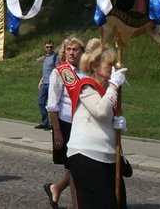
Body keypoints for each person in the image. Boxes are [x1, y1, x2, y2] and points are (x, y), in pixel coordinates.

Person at [67, 39, 128, 209]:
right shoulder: (86, 87)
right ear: (94, 66)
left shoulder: (108, 91)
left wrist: (119, 123)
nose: (113, 67)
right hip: (86, 155)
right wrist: (114, 86)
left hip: (107, 156)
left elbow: (107, 114)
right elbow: (100, 112)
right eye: (109, 63)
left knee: (119, 204)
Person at [44, 37, 84, 209]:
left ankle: (56, 188)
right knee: (76, 167)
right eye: (68, 49)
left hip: (84, 125)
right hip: (66, 125)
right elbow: (52, 105)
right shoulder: (59, 72)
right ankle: (77, 205)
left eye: (75, 49)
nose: (72, 52)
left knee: (81, 164)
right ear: (64, 52)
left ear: (81, 51)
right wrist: (57, 131)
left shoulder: (86, 71)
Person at [35, 40, 59, 130]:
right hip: (44, 83)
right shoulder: (46, 57)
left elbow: (57, 70)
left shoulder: (55, 57)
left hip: (51, 83)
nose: (49, 48)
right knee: (40, 103)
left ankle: (54, 124)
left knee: (51, 104)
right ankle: (45, 122)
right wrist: (41, 80)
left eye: (51, 47)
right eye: (47, 47)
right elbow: (46, 71)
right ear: (45, 47)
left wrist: (55, 82)